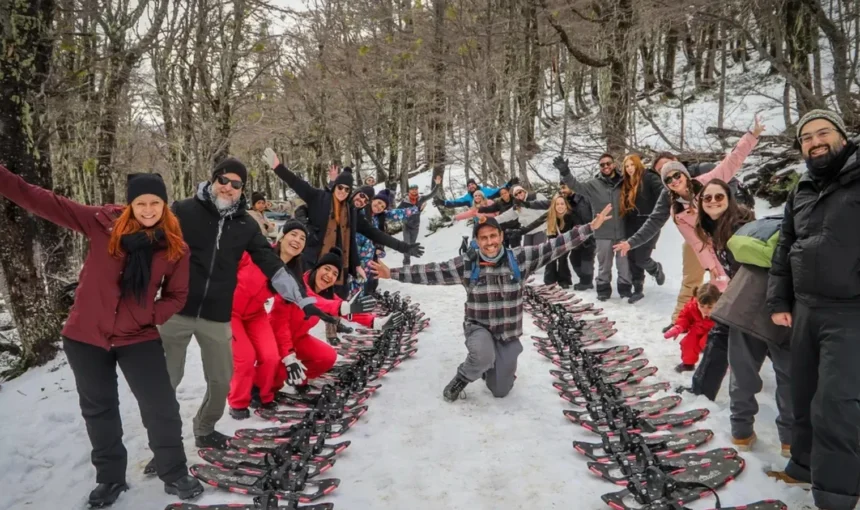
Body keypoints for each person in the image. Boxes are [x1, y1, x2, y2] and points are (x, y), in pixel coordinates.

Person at [0, 167, 204, 506]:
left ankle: (174, 472)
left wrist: (147, 316)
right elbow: (38, 198)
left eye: (156, 203)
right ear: (130, 205)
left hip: (137, 336)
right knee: (99, 410)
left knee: (161, 406)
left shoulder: (175, 248)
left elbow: (177, 296)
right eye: (141, 203)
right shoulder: (100, 223)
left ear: (165, 205)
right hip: (85, 337)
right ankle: (110, 479)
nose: (149, 210)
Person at [156, 157, 335, 457]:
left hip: (217, 314)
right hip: (178, 308)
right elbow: (154, 247)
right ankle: (162, 447)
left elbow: (274, 265)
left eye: (236, 184)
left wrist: (304, 301)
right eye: (223, 180)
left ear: (242, 190)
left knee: (221, 377)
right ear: (212, 180)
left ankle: (205, 429)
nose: (228, 187)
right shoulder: (183, 210)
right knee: (165, 381)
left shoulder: (245, 226)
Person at [369, 205, 613, 402]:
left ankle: (494, 367)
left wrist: (590, 227)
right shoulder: (468, 264)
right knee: (483, 355)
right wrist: (393, 273)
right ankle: (463, 376)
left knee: (500, 390)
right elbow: (432, 271)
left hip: (507, 332)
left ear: (501, 236)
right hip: (479, 327)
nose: (489, 242)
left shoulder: (520, 258)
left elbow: (555, 246)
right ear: (477, 240)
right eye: (483, 238)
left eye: (493, 236)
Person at [766, 109, 860, 510]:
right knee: (801, 392)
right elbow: (786, 245)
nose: (815, 141)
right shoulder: (801, 187)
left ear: (842, 135)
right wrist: (777, 298)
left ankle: (836, 496)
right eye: (806, 137)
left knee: (835, 405)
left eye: (823, 132)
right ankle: (803, 467)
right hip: (805, 308)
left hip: (850, 312)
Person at [615, 116, 765, 324]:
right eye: (664, 176)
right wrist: (631, 242)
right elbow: (681, 234)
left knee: (749, 279)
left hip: (732, 232)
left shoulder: (704, 178)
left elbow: (731, 163)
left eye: (674, 173)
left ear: (681, 168)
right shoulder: (672, 204)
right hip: (708, 242)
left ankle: (761, 320)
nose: (673, 179)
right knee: (718, 282)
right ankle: (695, 323)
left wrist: (752, 135)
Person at [264, 148, 424, 299]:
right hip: (312, 259)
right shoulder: (318, 198)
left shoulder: (351, 212)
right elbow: (296, 183)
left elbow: (375, 234)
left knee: (336, 296)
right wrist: (278, 167)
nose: (342, 191)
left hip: (338, 264)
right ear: (335, 187)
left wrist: (404, 247)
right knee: (303, 294)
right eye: (340, 187)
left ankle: (333, 323)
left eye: (347, 189)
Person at [269, 247, 403, 392]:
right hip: (274, 338)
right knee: (279, 371)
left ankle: (299, 379)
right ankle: (261, 390)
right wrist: (289, 357)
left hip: (299, 339)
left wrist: (375, 322)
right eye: (326, 269)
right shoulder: (296, 285)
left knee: (327, 357)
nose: (329, 275)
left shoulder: (327, 295)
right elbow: (313, 302)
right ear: (316, 269)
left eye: (335, 274)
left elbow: (346, 310)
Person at [710, 259, 792, 457]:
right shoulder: (806, 230)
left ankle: (741, 434)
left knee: (742, 371)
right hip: (789, 303)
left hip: (747, 296)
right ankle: (790, 441)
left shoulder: (758, 228)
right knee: (790, 377)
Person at [682, 179, 755, 399]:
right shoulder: (716, 227)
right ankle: (701, 391)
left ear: (729, 199)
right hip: (741, 292)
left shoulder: (739, 227)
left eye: (719, 196)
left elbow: (750, 267)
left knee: (781, 353)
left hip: (756, 295)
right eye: (708, 198)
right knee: (720, 335)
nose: (713, 201)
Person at [554, 153, 629, 301]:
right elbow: (575, 185)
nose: (606, 167)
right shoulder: (594, 185)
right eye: (602, 165)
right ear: (599, 167)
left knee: (624, 265)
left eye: (608, 163)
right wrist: (565, 172)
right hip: (602, 232)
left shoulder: (625, 183)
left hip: (622, 232)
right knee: (604, 265)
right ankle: (603, 289)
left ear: (614, 164)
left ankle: (625, 290)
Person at [618, 154, 666, 303]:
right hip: (630, 223)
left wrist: (656, 213)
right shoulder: (625, 183)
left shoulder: (649, 178)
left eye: (632, 165)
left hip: (648, 223)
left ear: (638, 164)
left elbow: (664, 194)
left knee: (642, 258)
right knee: (631, 257)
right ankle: (638, 289)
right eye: (627, 166)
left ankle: (655, 269)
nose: (630, 168)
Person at [356, 189, 419, 294]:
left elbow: (397, 213)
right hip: (355, 257)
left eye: (382, 207)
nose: (379, 207)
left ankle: (368, 299)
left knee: (370, 282)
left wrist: (416, 209)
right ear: (373, 200)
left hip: (369, 258)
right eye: (379, 203)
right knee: (356, 284)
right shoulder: (360, 211)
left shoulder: (379, 217)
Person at [664, 284, 720, 372]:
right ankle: (688, 364)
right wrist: (679, 327)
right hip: (697, 330)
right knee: (688, 344)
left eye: (710, 307)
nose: (705, 310)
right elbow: (685, 317)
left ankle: (715, 367)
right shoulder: (692, 306)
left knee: (711, 347)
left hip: (714, 332)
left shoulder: (722, 311)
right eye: (701, 306)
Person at [397, 175, 442, 264]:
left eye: (415, 189)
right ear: (409, 191)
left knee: (412, 245)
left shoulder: (421, 199)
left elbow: (432, 194)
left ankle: (407, 260)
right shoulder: (405, 201)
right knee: (407, 244)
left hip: (416, 226)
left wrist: (437, 185)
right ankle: (406, 261)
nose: (414, 191)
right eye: (412, 189)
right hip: (406, 226)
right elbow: (396, 212)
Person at [541, 194, 578, 288]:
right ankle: (549, 279)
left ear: (566, 205)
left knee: (562, 258)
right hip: (553, 238)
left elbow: (576, 230)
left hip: (567, 242)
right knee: (551, 256)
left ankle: (564, 280)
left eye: (562, 204)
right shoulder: (550, 215)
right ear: (554, 205)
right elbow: (536, 223)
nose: (560, 206)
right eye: (557, 204)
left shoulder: (571, 216)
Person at [435, 177, 514, 208]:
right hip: (479, 221)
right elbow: (456, 202)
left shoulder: (485, 191)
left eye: (472, 184)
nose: (471, 186)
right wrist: (442, 202)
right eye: (469, 186)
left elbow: (498, 190)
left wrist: (509, 184)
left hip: (493, 217)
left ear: (476, 184)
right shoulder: (468, 197)